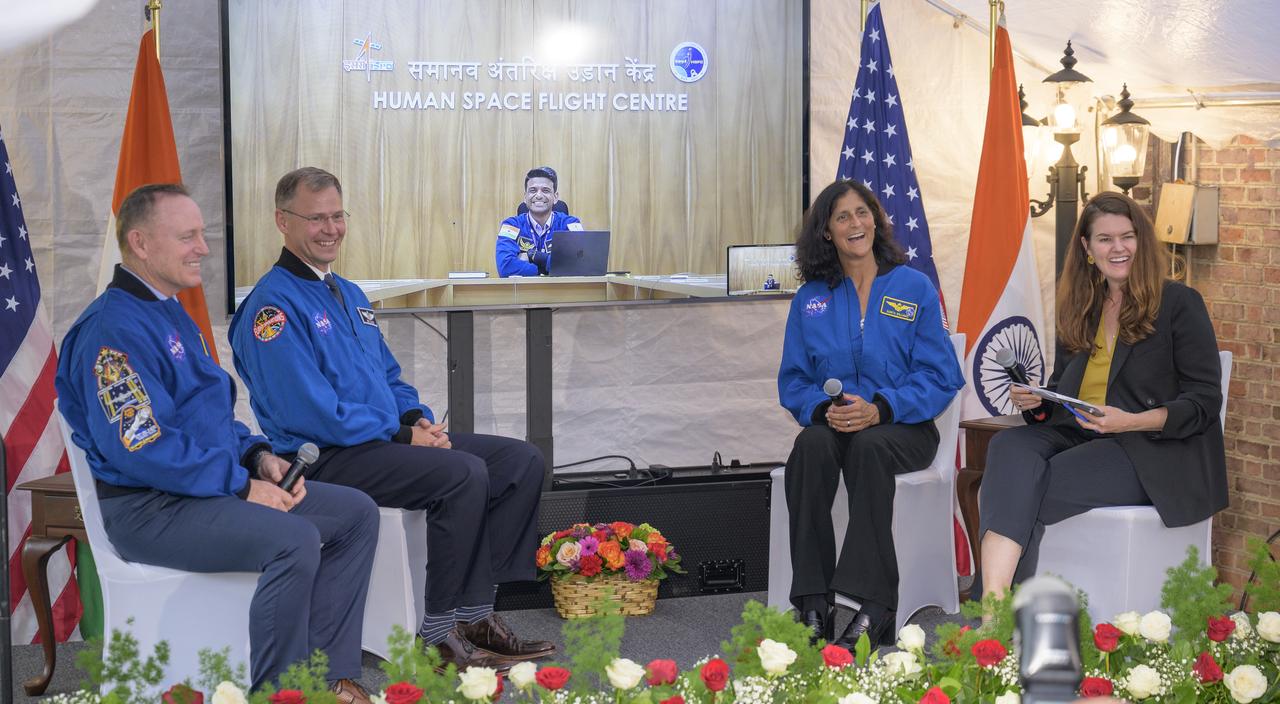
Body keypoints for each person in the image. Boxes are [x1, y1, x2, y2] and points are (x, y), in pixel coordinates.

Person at [54, 184, 378, 702]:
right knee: (290, 539)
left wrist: (256, 456)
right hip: (150, 508)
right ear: (140, 243)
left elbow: (211, 416)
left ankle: (326, 675)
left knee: (356, 514)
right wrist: (241, 485)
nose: (203, 248)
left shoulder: (170, 309)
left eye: (201, 234)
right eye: (187, 236)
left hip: (202, 490)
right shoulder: (109, 329)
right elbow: (143, 447)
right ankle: (282, 694)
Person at [229, 167, 553, 672]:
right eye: (316, 218)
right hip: (323, 458)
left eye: (338, 215)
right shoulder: (271, 309)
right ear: (282, 222)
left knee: (520, 461)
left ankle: (476, 615)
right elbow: (311, 413)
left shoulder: (350, 294)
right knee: (462, 474)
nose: (331, 228)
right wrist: (403, 435)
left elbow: (389, 376)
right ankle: (437, 634)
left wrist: (417, 420)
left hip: (382, 443)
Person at [974, 191, 1227, 603]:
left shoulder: (1179, 303)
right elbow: (1062, 389)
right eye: (1105, 239)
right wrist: (1038, 402)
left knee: (1028, 485)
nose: (1118, 247)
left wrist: (1129, 421)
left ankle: (1000, 614)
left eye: (1127, 236)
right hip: (1082, 432)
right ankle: (996, 608)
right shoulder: (1082, 305)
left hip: (1151, 448)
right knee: (1007, 448)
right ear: (1087, 248)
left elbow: (1203, 403)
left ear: (1141, 241)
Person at [777, 180, 964, 649]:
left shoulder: (913, 286)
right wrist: (823, 410)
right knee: (810, 446)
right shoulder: (810, 299)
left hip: (903, 429)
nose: (855, 224)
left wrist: (882, 408)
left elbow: (941, 377)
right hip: (837, 424)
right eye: (842, 217)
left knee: (869, 446)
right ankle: (813, 600)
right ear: (826, 231)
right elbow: (793, 380)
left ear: (876, 220)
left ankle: (873, 604)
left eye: (862, 213)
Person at [495, 165, 583, 277]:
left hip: (562, 292)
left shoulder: (570, 224)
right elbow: (506, 268)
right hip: (524, 293)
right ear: (525, 197)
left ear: (555, 197)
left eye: (545, 190)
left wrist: (533, 257)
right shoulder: (511, 225)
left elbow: (579, 265)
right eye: (533, 190)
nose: (539, 195)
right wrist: (548, 266)